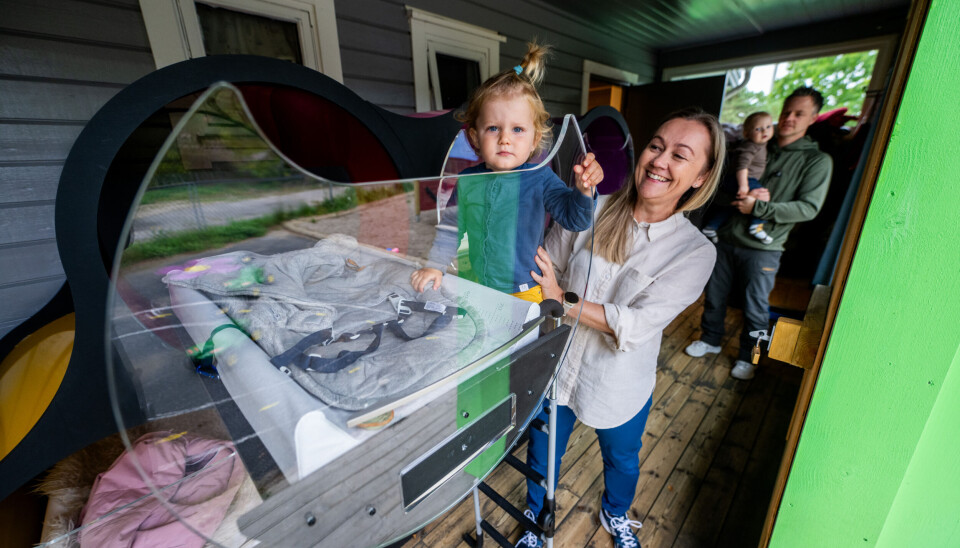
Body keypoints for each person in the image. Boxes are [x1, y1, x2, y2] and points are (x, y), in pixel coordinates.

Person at [515, 108, 724, 548]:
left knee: (623, 460)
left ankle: (615, 512)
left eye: (680, 156)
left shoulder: (695, 251)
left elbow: (634, 324)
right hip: (557, 363)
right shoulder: (592, 206)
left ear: (701, 177)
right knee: (543, 448)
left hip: (618, 381)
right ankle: (538, 516)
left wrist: (562, 299)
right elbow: (546, 263)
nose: (660, 161)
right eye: (656, 146)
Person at [410, 42, 602, 303]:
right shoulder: (468, 181)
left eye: (518, 129)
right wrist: (435, 265)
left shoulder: (540, 177)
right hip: (475, 284)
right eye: (493, 128)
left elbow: (575, 220)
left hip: (525, 290)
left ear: (535, 140)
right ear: (474, 138)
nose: (505, 139)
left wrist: (583, 190)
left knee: (517, 344)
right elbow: (451, 228)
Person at [685, 87, 833, 380]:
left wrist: (760, 208)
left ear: (813, 118)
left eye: (799, 114)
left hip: (765, 247)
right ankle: (711, 340)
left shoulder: (816, 161)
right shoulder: (756, 146)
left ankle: (749, 357)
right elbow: (721, 187)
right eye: (786, 111)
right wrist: (737, 201)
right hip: (726, 238)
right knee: (714, 296)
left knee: (755, 307)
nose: (789, 118)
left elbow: (808, 209)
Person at [701, 111, 775, 244]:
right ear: (747, 133)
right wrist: (743, 186)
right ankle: (756, 225)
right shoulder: (750, 146)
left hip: (738, 180)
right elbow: (742, 166)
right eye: (758, 129)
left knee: (732, 205)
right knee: (763, 195)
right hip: (742, 179)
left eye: (768, 127)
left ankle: (711, 227)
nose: (765, 131)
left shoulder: (760, 145)